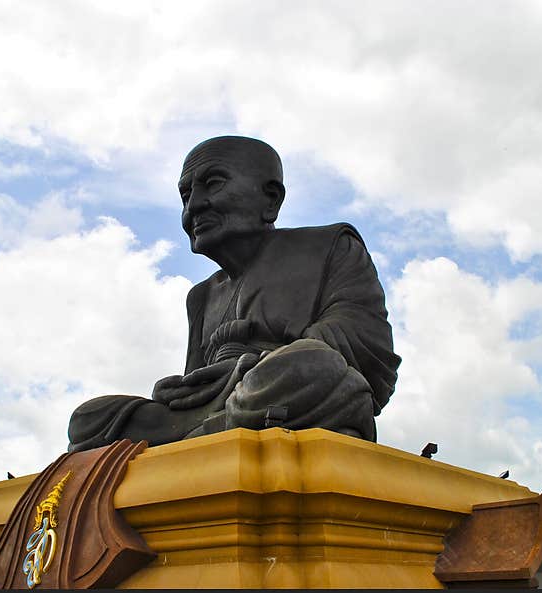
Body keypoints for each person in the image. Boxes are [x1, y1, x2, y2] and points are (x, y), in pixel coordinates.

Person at [67, 136, 400, 452]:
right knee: (90, 419)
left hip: (280, 390)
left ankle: (200, 441)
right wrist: (181, 391)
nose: (194, 205)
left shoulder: (329, 247)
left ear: (270, 200)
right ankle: (212, 435)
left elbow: (367, 348)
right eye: (185, 196)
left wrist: (249, 366)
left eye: (213, 184)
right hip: (221, 408)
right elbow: (199, 383)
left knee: (311, 363)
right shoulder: (201, 296)